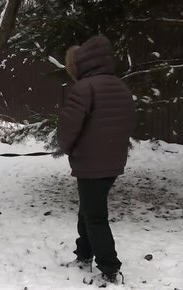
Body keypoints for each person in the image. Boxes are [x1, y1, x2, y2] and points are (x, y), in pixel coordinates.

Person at [58, 35, 135, 287]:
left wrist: (67, 147)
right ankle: (83, 255)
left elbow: (69, 128)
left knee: (95, 217)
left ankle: (110, 269)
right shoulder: (120, 86)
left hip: (91, 163)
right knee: (88, 209)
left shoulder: (84, 88)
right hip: (112, 162)